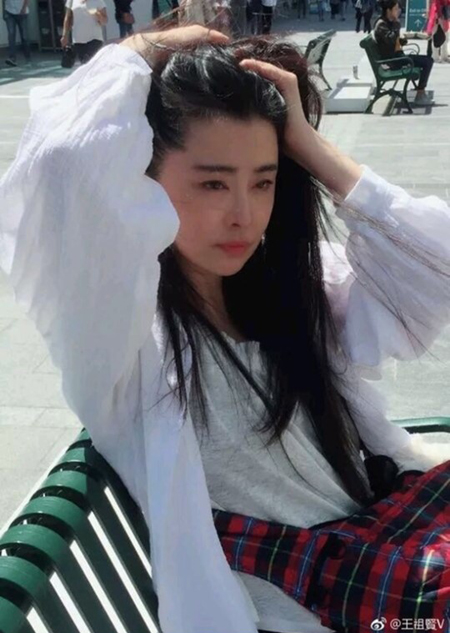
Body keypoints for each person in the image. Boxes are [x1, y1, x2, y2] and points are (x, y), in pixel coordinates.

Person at [0, 23, 449, 633]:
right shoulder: (127, 343)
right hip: (325, 609)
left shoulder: (297, 292)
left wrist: (309, 146)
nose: (243, 214)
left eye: (263, 181)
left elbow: (439, 269)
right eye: (212, 182)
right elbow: (60, 160)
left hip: (392, 556)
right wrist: (142, 51)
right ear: (144, 181)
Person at [374, 0, 434, 106]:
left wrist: (402, 40)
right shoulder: (381, 25)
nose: (398, 11)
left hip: (397, 57)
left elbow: (393, 41)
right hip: (393, 61)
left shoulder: (388, 23)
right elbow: (391, 39)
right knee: (428, 62)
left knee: (427, 60)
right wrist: (397, 24)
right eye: (396, 9)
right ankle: (420, 94)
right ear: (388, 11)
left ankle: (420, 90)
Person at [61, 0, 108, 65]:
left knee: (90, 62)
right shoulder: (71, 1)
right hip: (78, 39)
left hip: (95, 39)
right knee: (84, 64)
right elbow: (67, 18)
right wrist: (65, 35)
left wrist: (97, 13)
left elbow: (104, 21)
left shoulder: (98, 1)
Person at [2, 0, 31, 67]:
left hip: (22, 12)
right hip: (9, 11)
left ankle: (28, 57)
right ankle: (12, 58)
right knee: (11, 35)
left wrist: (24, 8)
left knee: (24, 36)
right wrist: (4, 11)